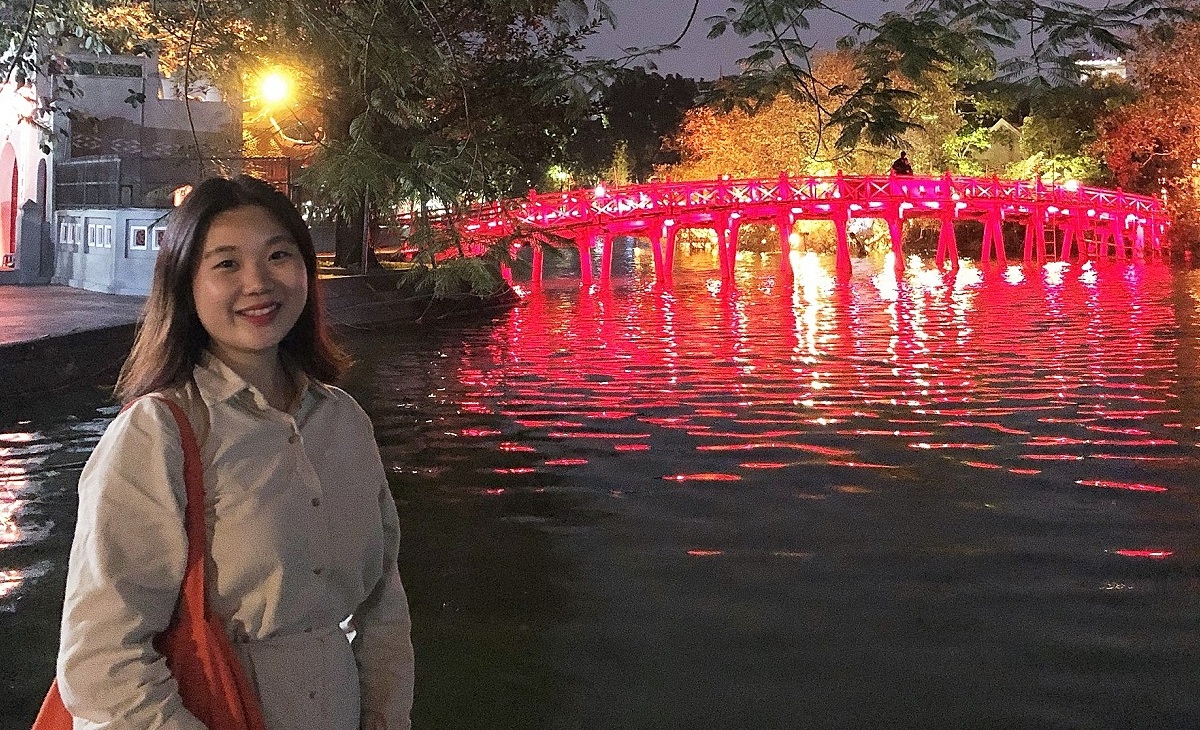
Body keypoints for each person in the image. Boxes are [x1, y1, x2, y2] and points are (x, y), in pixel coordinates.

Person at [56, 176, 414, 729]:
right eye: (227, 264)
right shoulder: (158, 433)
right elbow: (102, 659)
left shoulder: (342, 421)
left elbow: (381, 604)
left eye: (278, 256)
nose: (258, 283)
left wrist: (386, 718)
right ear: (185, 284)